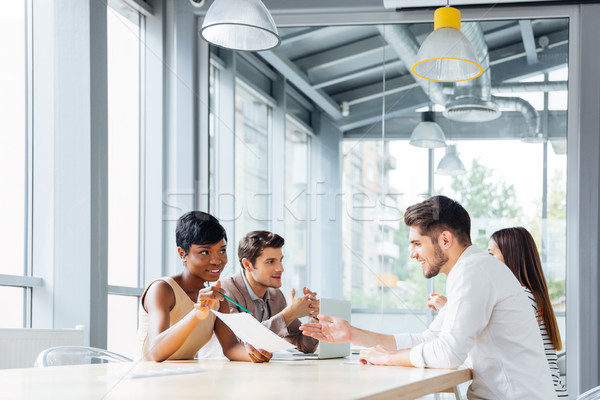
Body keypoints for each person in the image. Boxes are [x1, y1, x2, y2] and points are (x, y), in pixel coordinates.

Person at [301, 195, 557, 400]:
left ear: (445, 239)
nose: (412, 254)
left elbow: (447, 354)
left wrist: (388, 358)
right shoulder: (470, 270)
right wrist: (351, 333)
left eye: (417, 244)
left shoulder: (474, 271)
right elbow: (430, 339)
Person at [427, 227, 568, 398]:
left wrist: (451, 308)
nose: (487, 261)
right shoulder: (531, 295)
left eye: (491, 254)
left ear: (512, 257)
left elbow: (482, 342)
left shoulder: (524, 297)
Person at [134, 211, 271, 363]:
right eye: (205, 252)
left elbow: (230, 347)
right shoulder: (162, 289)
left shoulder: (217, 298)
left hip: (182, 379)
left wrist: (254, 353)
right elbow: (156, 353)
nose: (216, 260)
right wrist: (196, 314)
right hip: (147, 379)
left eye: (222, 251)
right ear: (182, 253)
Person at [200, 231, 319, 356]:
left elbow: (304, 346)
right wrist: (289, 314)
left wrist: (314, 321)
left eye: (280, 260)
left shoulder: (276, 296)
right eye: (270, 261)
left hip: (257, 372)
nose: (280, 268)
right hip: (221, 371)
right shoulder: (223, 291)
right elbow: (245, 345)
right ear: (247, 265)